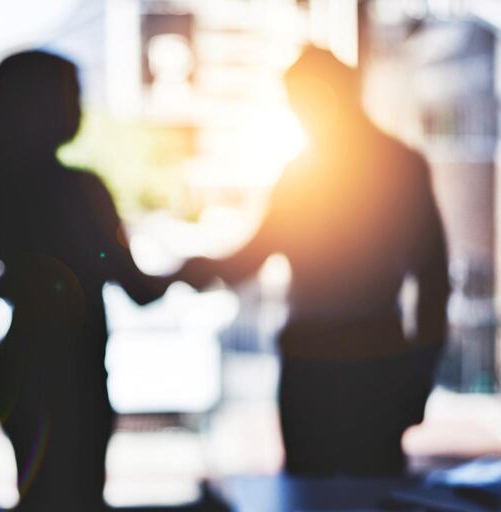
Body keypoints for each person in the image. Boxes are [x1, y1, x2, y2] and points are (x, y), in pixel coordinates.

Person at [181, 46, 450, 476]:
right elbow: (433, 279)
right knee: (372, 488)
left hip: (318, 360)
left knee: (311, 492)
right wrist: (420, 372)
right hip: (373, 355)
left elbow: (252, 256)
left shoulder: (303, 174)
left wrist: (189, 270)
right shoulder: (399, 166)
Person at [0, 51, 173, 511]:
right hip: (76, 375)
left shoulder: (1, 189)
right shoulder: (81, 190)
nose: (80, 109)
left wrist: (21, 283)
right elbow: (136, 287)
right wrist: (192, 272)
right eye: (73, 96)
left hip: (24, 369)